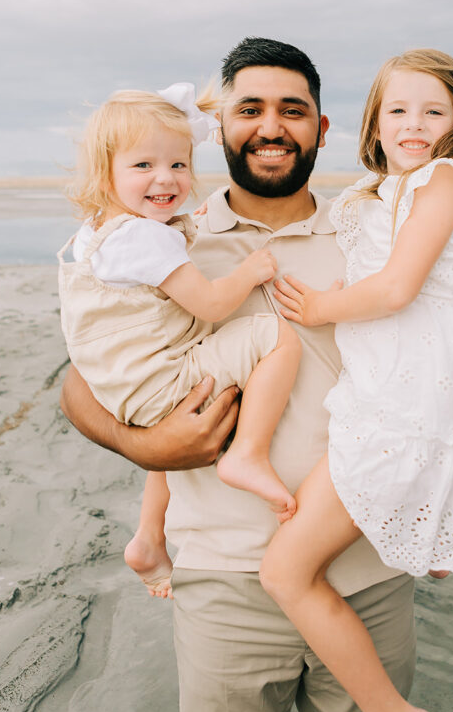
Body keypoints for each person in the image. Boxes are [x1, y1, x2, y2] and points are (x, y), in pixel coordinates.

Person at [59, 36, 416, 712]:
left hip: (367, 576)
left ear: (321, 128)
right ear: (219, 126)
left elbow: (440, 378)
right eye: (248, 108)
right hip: (225, 582)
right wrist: (140, 445)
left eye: (293, 109)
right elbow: (78, 379)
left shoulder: (377, 238)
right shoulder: (163, 235)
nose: (271, 126)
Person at [263, 49, 453, 712]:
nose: (413, 125)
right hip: (390, 381)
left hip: (413, 388)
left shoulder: (442, 180)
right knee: (301, 559)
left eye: (432, 111)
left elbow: (396, 287)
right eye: (397, 110)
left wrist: (317, 308)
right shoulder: (385, 188)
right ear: (373, 121)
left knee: (285, 570)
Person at [57, 84, 302, 598]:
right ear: (106, 173)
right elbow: (212, 304)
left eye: (178, 164)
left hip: (126, 385)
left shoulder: (97, 232)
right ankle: (248, 454)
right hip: (161, 380)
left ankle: (149, 538)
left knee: (167, 448)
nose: (165, 179)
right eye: (143, 166)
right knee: (276, 337)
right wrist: (251, 271)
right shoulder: (146, 237)